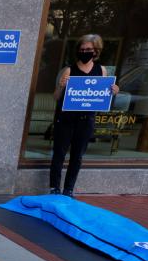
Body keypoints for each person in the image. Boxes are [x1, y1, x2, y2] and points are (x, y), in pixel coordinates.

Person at [49, 34, 119, 197]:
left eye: (88, 49)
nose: (85, 52)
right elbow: (56, 97)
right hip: (66, 119)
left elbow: (103, 94)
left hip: (86, 119)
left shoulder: (101, 70)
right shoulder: (69, 70)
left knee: (77, 156)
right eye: (82, 49)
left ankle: (68, 189)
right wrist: (60, 86)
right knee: (59, 154)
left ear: (96, 51)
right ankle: (54, 188)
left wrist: (113, 91)